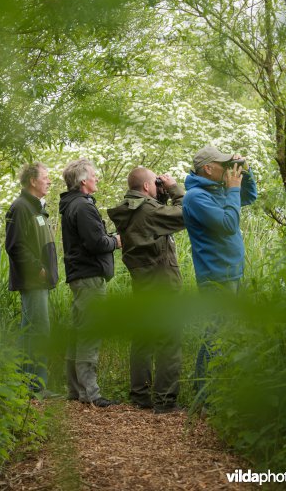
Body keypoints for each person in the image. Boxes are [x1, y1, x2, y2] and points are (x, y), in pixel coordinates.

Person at [182, 145, 257, 399]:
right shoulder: (196, 197)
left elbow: (249, 197)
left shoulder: (217, 189)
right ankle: (205, 397)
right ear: (208, 168)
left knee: (218, 333)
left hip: (230, 273)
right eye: (223, 164)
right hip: (216, 275)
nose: (227, 168)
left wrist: (245, 173)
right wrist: (233, 189)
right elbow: (228, 224)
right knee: (216, 335)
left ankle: (205, 395)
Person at [108, 167, 185, 414]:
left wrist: (160, 193)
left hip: (142, 281)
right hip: (162, 281)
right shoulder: (149, 211)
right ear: (145, 187)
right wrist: (174, 189)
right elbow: (186, 215)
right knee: (168, 340)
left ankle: (140, 395)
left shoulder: (130, 210)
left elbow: (156, 221)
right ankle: (165, 401)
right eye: (155, 182)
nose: (158, 185)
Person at [59, 158, 121, 408]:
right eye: (94, 175)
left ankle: (76, 389)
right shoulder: (83, 207)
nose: (97, 178)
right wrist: (115, 241)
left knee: (78, 331)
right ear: (84, 181)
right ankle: (91, 393)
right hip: (89, 277)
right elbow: (96, 243)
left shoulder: (71, 205)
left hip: (80, 275)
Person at [5, 162, 58, 395]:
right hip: (33, 280)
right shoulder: (20, 207)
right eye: (45, 177)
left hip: (40, 281)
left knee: (31, 330)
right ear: (32, 181)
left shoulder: (37, 208)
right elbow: (15, 246)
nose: (49, 181)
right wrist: (38, 269)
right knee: (39, 331)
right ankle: (36, 386)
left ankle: (26, 386)